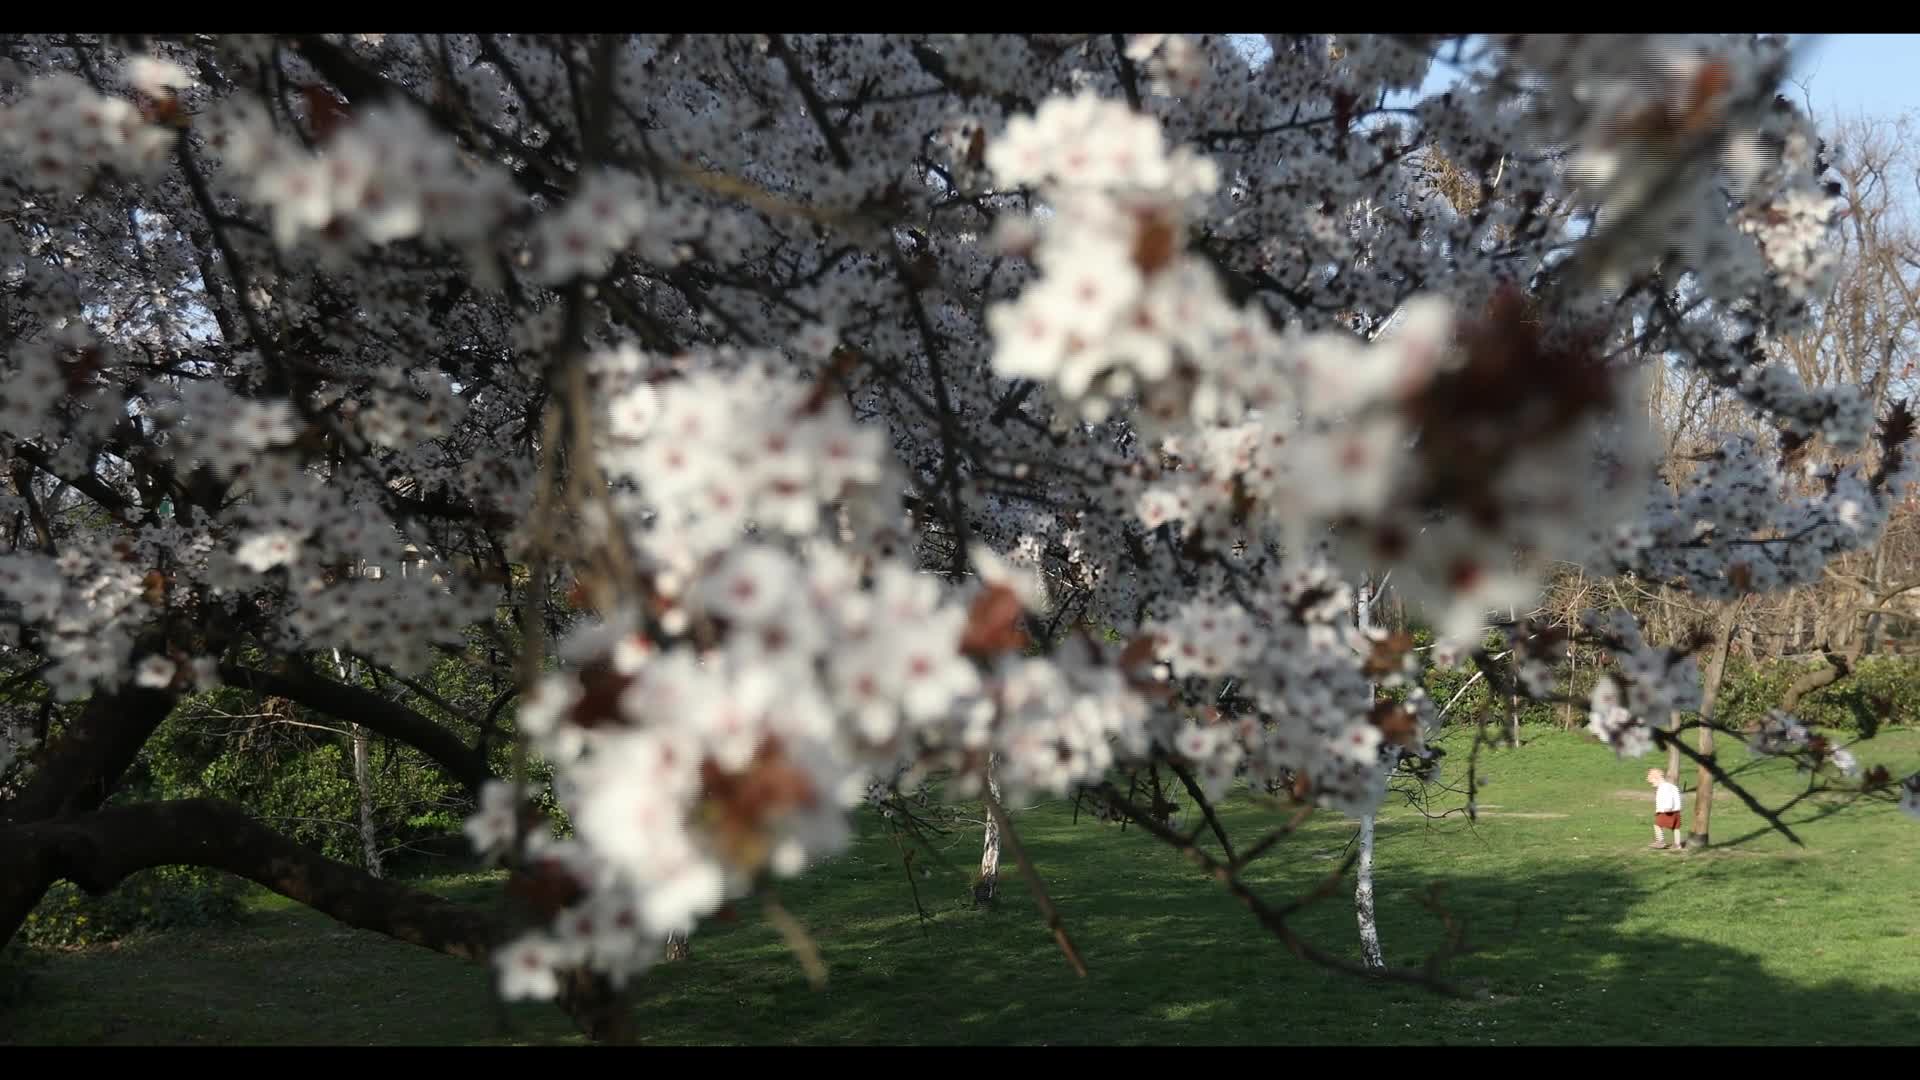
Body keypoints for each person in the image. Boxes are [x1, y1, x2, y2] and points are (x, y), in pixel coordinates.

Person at [1647, 768, 1686, 850]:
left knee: (1657, 825)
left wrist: (1668, 807)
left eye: (1652, 781)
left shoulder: (1663, 787)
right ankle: (1677, 844)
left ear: (1657, 778)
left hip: (1666, 810)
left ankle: (1660, 842)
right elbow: (1677, 797)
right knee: (1675, 828)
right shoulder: (1672, 786)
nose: (1652, 784)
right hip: (1676, 811)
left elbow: (1669, 797)